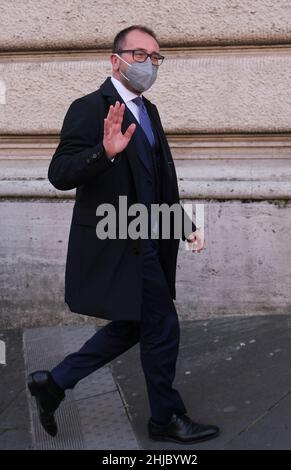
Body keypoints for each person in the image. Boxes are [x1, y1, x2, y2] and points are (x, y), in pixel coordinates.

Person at [27, 25, 220, 445]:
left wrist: (184, 226)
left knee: (136, 326)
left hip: (149, 241)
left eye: (155, 57)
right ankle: (165, 418)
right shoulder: (89, 108)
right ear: (115, 60)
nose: (148, 64)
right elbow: (59, 174)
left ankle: (54, 382)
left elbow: (159, 180)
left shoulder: (150, 111)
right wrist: (104, 152)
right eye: (139, 55)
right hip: (118, 243)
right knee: (163, 327)